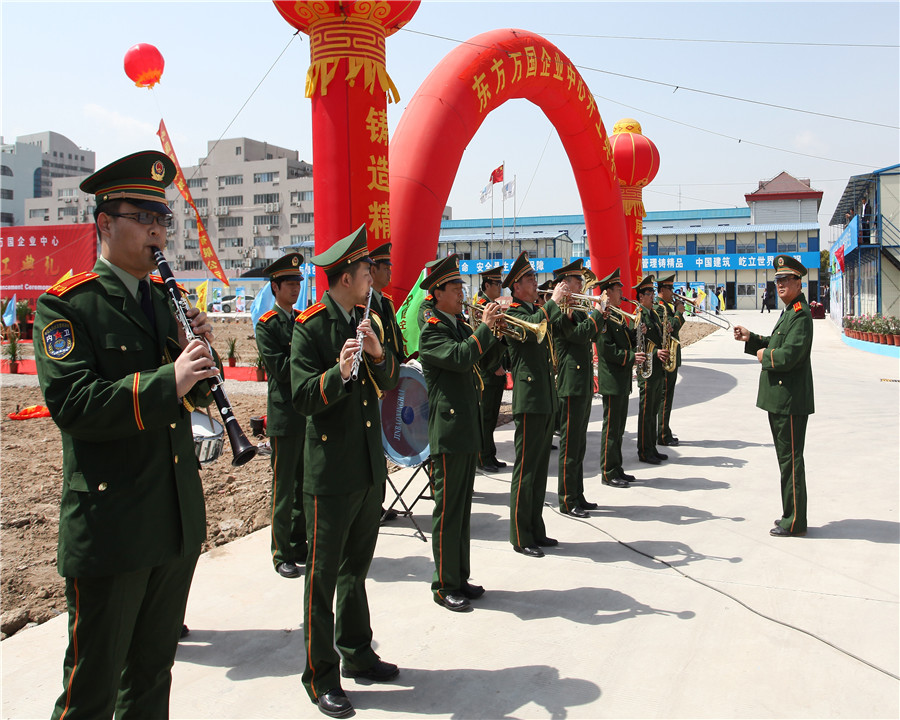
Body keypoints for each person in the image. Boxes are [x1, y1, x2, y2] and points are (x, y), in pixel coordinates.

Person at [35, 150, 220, 719]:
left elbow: (191, 399)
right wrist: (171, 378)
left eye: (162, 219)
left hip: (171, 520)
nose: (156, 231)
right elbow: (74, 404)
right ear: (104, 224)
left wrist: (200, 363)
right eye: (142, 217)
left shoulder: (167, 302)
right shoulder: (68, 304)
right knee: (91, 689)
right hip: (113, 529)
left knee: (150, 677)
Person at [290, 225, 401, 717]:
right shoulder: (310, 327)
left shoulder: (367, 317)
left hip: (365, 466)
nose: (371, 280)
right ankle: (320, 675)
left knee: (356, 570)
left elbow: (389, 378)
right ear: (345, 277)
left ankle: (357, 652)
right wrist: (338, 372)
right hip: (330, 473)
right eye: (364, 272)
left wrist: (378, 356)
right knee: (323, 578)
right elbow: (301, 397)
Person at [418, 255, 504, 612]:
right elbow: (460, 358)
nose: (461, 292)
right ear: (437, 292)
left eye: (461, 287)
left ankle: (460, 576)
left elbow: (481, 357)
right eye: (455, 288)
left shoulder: (458, 324)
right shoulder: (433, 330)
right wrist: (484, 328)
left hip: (465, 428)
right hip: (449, 432)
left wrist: (494, 329)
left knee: (462, 509)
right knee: (448, 511)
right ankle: (443, 584)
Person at [733, 254, 814, 538]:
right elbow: (777, 342)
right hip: (782, 399)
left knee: (790, 461)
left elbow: (789, 355)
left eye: (785, 279)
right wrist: (751, 338)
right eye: (777, 279)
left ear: (798, 282)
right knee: (787, 460)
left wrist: (763, 355)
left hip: (789, 401)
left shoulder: (800, 315)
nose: (779, 284)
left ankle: (794, 521)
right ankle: (791, 514)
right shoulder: (790, 311)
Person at [502, 252, 568, 557]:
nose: (535, 281)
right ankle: (520, 533)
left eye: (533, 277)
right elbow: (532, 327)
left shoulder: (534, 309)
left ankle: (536, 529)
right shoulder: (515, 313)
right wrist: (553, 302)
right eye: (529, 279)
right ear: (516, 287)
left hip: (545, 397)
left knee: (540, 469)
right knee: (526, 470)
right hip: (529, 400)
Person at [256, 252, 308, 579]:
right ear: (275, 287)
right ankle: (281, 552)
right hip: (284, 416)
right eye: (289, 283)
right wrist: (309, 363)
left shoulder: (303, 320)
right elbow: (282, 369)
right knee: (284, 487)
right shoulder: (268, 326)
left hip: (306, 413)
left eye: (298, 282)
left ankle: (299, 542)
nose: (295, 288)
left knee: (305, 484)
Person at [552, 259, 604, 517]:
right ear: (564, 284)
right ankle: (566, 498)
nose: (582, 285)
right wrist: (598, 314)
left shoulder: (579, 310)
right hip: (571, 384)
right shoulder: (560, 312)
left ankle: (578, 494)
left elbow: (592, 334)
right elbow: (579, 336)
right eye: (577, 280)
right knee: (570, 446)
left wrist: (598, 315)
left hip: (582, 383)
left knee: (579, 445)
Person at [596, 268, 645, 487]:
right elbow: (607, 350)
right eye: (618, 289)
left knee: (619, 428)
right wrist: (632, 357)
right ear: (608, 292)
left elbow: (624, 341)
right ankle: (608, 471)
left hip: (621, 379)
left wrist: (637, 332)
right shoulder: (604, 317)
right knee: (611, 429)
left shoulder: (617, 315)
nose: (622, 293)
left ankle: (617, 467)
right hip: (612, 380)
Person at [368, 242, 402, 522]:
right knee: (373, 447)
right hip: (374, 382)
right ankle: (372, 504)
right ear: (373, 269)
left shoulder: (386, 302)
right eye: (386, 267)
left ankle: (379, 503)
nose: (390, 271)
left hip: (389, 377)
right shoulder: (364, 303)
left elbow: (395, 342)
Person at [634, 275, 670, 464]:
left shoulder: (654, 314)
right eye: (649, 293)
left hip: (656, 369)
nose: (652, 296)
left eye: (652, 292)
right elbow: (638, 344)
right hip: (647, 370)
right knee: (646, 413)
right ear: (640, 297)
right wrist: (656, 352)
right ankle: (643, 450)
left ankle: (652, 447)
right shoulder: (639, 315)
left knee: (653, 411)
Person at [475, 265, 508, 472]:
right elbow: (482, 340)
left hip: (496, 370)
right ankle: (482, 456)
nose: (500, 287)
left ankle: (490, 454)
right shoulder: (481, 307)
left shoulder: (492, 305)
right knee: (485, 416)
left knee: (492, 416)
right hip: (487, 371)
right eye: (497, 283)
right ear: (487, 285)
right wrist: (495, 365)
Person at [655, 275, 685, 447]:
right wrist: (679, 314)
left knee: (668, 397)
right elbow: (668, 328)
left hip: (672, 355)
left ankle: (665, 430)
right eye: (670, 289)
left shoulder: (666, 306)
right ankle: (662, 433)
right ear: (662, 289)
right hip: (666, 358)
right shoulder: (660, 308)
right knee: (665, 397)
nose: (673, 293)